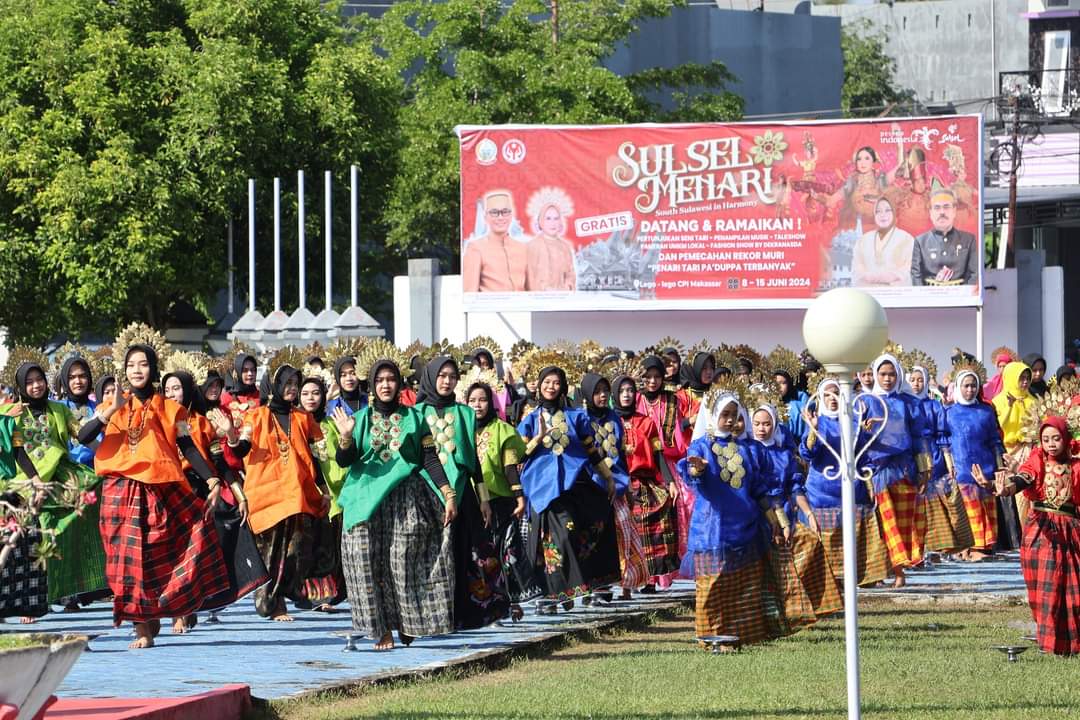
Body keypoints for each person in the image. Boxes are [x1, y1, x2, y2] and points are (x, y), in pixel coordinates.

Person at [78, 344, 229, 649]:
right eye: (131, 364)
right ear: (125, 370)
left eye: (143, 364)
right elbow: (83, 437)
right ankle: (141, 627)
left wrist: (213, 479)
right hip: (119, 490)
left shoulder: (172, 409)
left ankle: (159, 609)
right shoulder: (111, 404)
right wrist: (110, 409)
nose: (137, 370)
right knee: (124, 562)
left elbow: (188, 448)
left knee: (158, 555)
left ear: (153, 369)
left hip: (160, 490)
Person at [333, 359, 457, 651]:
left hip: (406, 499)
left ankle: (408, 622)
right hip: (365, 501)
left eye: (391, 379)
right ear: (372, 385)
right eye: (380, 380)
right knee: (366, 565)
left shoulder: (414, 418)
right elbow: (344, 462)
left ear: (399, 383)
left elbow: (429, 458)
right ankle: (381, 631)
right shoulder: (360, 419)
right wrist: (346, 437)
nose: (386, 385)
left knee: (404, 562)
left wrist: (448, 493)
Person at [679, 394, 792, 649]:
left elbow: (761, 489)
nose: (730, 420)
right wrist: (698, 468)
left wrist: (779, 520)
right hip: (712, 530)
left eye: (734, 415)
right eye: (725, 414)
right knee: (711, 588)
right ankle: (710, 640)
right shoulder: (701, 446)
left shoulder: (747, 449)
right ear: (713, 415)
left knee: (743, 586)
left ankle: (739, 637)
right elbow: (690, 473)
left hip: (746, 528)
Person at [230, 365, 333, 621]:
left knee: (298, 551)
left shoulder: (304, 418)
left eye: (295, 384)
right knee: (270, 553)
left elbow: (318, 458)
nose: (292, 389)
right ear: (275, 385)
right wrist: (232, 437)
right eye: (287, 384)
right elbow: (242, 449)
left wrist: (324, 489)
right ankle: (274, 605)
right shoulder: (255, 417)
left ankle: (283, 598)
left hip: (299, 495)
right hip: (266, 495)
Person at [1, 362, 107, 609]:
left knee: (95, 493)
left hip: (62, 475)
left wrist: (111, 453)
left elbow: (82, 436)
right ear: (20, 386)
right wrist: (36, 481)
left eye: (39, 380)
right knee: (27, 538)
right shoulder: (12, 412)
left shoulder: (59, 410)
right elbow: (17, 451)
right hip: (25, 478)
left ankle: (76, 588)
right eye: (29, 382)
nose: (36, 385)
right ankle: (30, 601)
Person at [415, 356, 509, 628]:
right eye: (442, 375)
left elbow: (474, 463)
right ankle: (429, 615)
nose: (447, 381)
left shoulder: (465, 413)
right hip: (427, 494)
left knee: (463, 551)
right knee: (430, 556)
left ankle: (461, 614)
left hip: (462, 492)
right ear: (431, 377)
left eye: (452, 376)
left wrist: (484, 499)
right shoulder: (416, 413)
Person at [517, 366, 621, 611]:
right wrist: (538, 436)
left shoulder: (577, 417)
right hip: (542, 488)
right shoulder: (530, 419)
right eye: (547, 382)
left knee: (570, 535)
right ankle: (553, 595)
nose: (551, 387)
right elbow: (519, 455)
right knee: (552, 541)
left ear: (562, 387)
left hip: (574, 486)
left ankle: (564, 592)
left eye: (556, 383)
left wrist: (608, 478)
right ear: (539, 385)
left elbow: (591, 451)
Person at [997, 416, 1080, 656]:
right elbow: (1025, 478)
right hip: (1042, 532)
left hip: (1070, 531)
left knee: (1073, 591)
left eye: (1056, 438)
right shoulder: (1037, 461)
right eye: (1046, 439)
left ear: (1066, 439)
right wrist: (1007, 488)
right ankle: (1050, 643)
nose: (1051, 444)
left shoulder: (1076, 466)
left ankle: (1072, 644)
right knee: (1047, 589)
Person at [752, 402, 840, 622]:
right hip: (757, 514)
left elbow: (795, 486)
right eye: (757, 424)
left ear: (775, 424)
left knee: (805, 549)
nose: (762, 428)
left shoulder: (783, 454)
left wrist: (809, 513)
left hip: (785, 513)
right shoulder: (747, 451)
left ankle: (807, 608)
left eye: (767, 423)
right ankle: (763, 616)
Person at [797, 379, 889, 586]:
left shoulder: (853, 422)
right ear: (820, 397)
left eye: (837, 394)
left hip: (852, 488)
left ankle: (861, 576)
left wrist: (869, 482)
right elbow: (807, 454)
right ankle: (828, 581)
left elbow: (864, 456)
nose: (832, 399)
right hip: (822, 491)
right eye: (828, 395)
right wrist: (813, 431)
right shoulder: (817, 422)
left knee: (855, 536)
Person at [465, 381, 536, 620]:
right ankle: (486, 607)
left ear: (492, 403)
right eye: (472, 400)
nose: (477, 405)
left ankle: (510, 602)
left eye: (482, 400)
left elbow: (510, 467)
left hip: (500, 502)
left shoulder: (502, 430)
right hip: (471, 502)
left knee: (504, 553)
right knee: (479, 557)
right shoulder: (462, 429)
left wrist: (519, 497)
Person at [860, 354, 932, 588]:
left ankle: (900, 572)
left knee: (902, 523)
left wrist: (924, 470)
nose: (888, 378)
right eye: (883, 374)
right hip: (877, 471)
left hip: (904, 470)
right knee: (882, 524)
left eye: (892, 374)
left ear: (899, 375)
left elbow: (919, 437)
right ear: (875, 376)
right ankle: (883, 571)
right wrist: (863, 430)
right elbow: (857, 442)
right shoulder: (866, 402)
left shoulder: (908, 403)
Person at [579, 373, 647, 600]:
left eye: (605, 391)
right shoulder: (580, 418)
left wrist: (626, 488)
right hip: (590, 487)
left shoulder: (613, 418)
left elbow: (620, 456)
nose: (602, 395)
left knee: (620, 534)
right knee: (591, 538)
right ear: (588, 393)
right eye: (597, 392)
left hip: (615, 487)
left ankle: (619, 585)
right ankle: (593, 587)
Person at [612, 373, 680, 594]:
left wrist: (669, 482)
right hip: (617, 484)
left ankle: (649, 579)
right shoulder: (610, 421)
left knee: (648, 531)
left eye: (630, 391)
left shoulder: (647, 423)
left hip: (644, 483)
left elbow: (659, 454)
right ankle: (623, 584)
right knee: (621, 534)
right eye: (622, 391)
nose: (626, 395)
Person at [907, 365, 974, 562]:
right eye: (913, 380)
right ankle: (916, 551)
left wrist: (948, 460)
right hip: (911, 454)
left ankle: (939, 547)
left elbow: (942, 434)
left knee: (938, 503)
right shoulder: (906, 405)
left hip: (933, 454)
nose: (917, 383)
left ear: (927, 381)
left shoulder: (934, 406)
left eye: (920, 379)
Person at [293, 373, 348, 611]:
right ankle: (306, 594)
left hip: (334, 494)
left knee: (329, 547)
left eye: (315, 393)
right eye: (305, 393)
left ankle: (326, 596)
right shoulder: (294, 424)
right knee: (307, 546)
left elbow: (343, 458)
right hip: (304, 493)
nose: (311, 398)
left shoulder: (331, 425)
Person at [637, 356, 691, 586]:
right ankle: (648, 575)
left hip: (668, 462)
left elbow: (677, 435)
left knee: (681, 509)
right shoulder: (635, 398)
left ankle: (671, 570)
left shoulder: (671, 400)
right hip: (644, 464)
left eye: (657, 376)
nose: (652, 381)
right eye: (648, 377)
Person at [945, 368, 1006, 561]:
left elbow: (995, 440)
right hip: (961, 468)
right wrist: (949, 464)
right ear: (958, 387)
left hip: (985, 467)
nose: (970, 390)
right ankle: (968, 547)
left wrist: (999, 466)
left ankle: (984, 547)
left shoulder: (986, 411)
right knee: (967, 511)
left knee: (986, 509)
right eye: (966, 386)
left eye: (973, 386)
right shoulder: (949, 413)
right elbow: (944, 442)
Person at [992, 361, 1037, 542]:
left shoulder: (1033, 401)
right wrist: (1010, 407)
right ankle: (1013, 536)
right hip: (1006, 451)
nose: (1025, 382)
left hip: (1027, 450)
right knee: (1009, 492)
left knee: (1027, 496)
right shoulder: (998, 402)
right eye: (1021, 379)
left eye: (1027, 378)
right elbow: (998, 427)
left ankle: (1029, 534)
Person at [462, 190, 528, 293]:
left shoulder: (523, 248)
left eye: (505, 212)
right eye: (494, 213)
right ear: (485, 217)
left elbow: (532, 291)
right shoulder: (476, 248)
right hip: (491, 308)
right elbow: (470, 294)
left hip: (524, 308)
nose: (500, 217)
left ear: (511, 215)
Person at [910, 188, 979, 286]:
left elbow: (973, 273)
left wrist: (963, 297)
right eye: (937, 208)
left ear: (954, 211)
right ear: (931, 213)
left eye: (946, 207)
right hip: (930, 297)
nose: (942, 212)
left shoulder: (968, 240)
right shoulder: (920, 241)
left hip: (960, 297)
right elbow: (916, 274)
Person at [851, 197, 914, 287]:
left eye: (887, 210)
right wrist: (868, 278)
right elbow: (856, 271)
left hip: (896, 296)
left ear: (894, 213)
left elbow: (910, 270)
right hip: (870, 296)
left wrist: (891, 277)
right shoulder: (863, 241)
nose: (882, 215)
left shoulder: (907, 239)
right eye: (878, 211)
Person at [525, 187, 577, 292]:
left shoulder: (565, 247)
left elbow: (570, 274)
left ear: (560, 222)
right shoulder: (532, 246)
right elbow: (529, 277)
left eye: (556, 218)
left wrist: (568, 286)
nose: (552, 223)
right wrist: (545, 291)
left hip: (562, 299)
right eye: (548, 218)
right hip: (539, 300)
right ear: (540, 221)